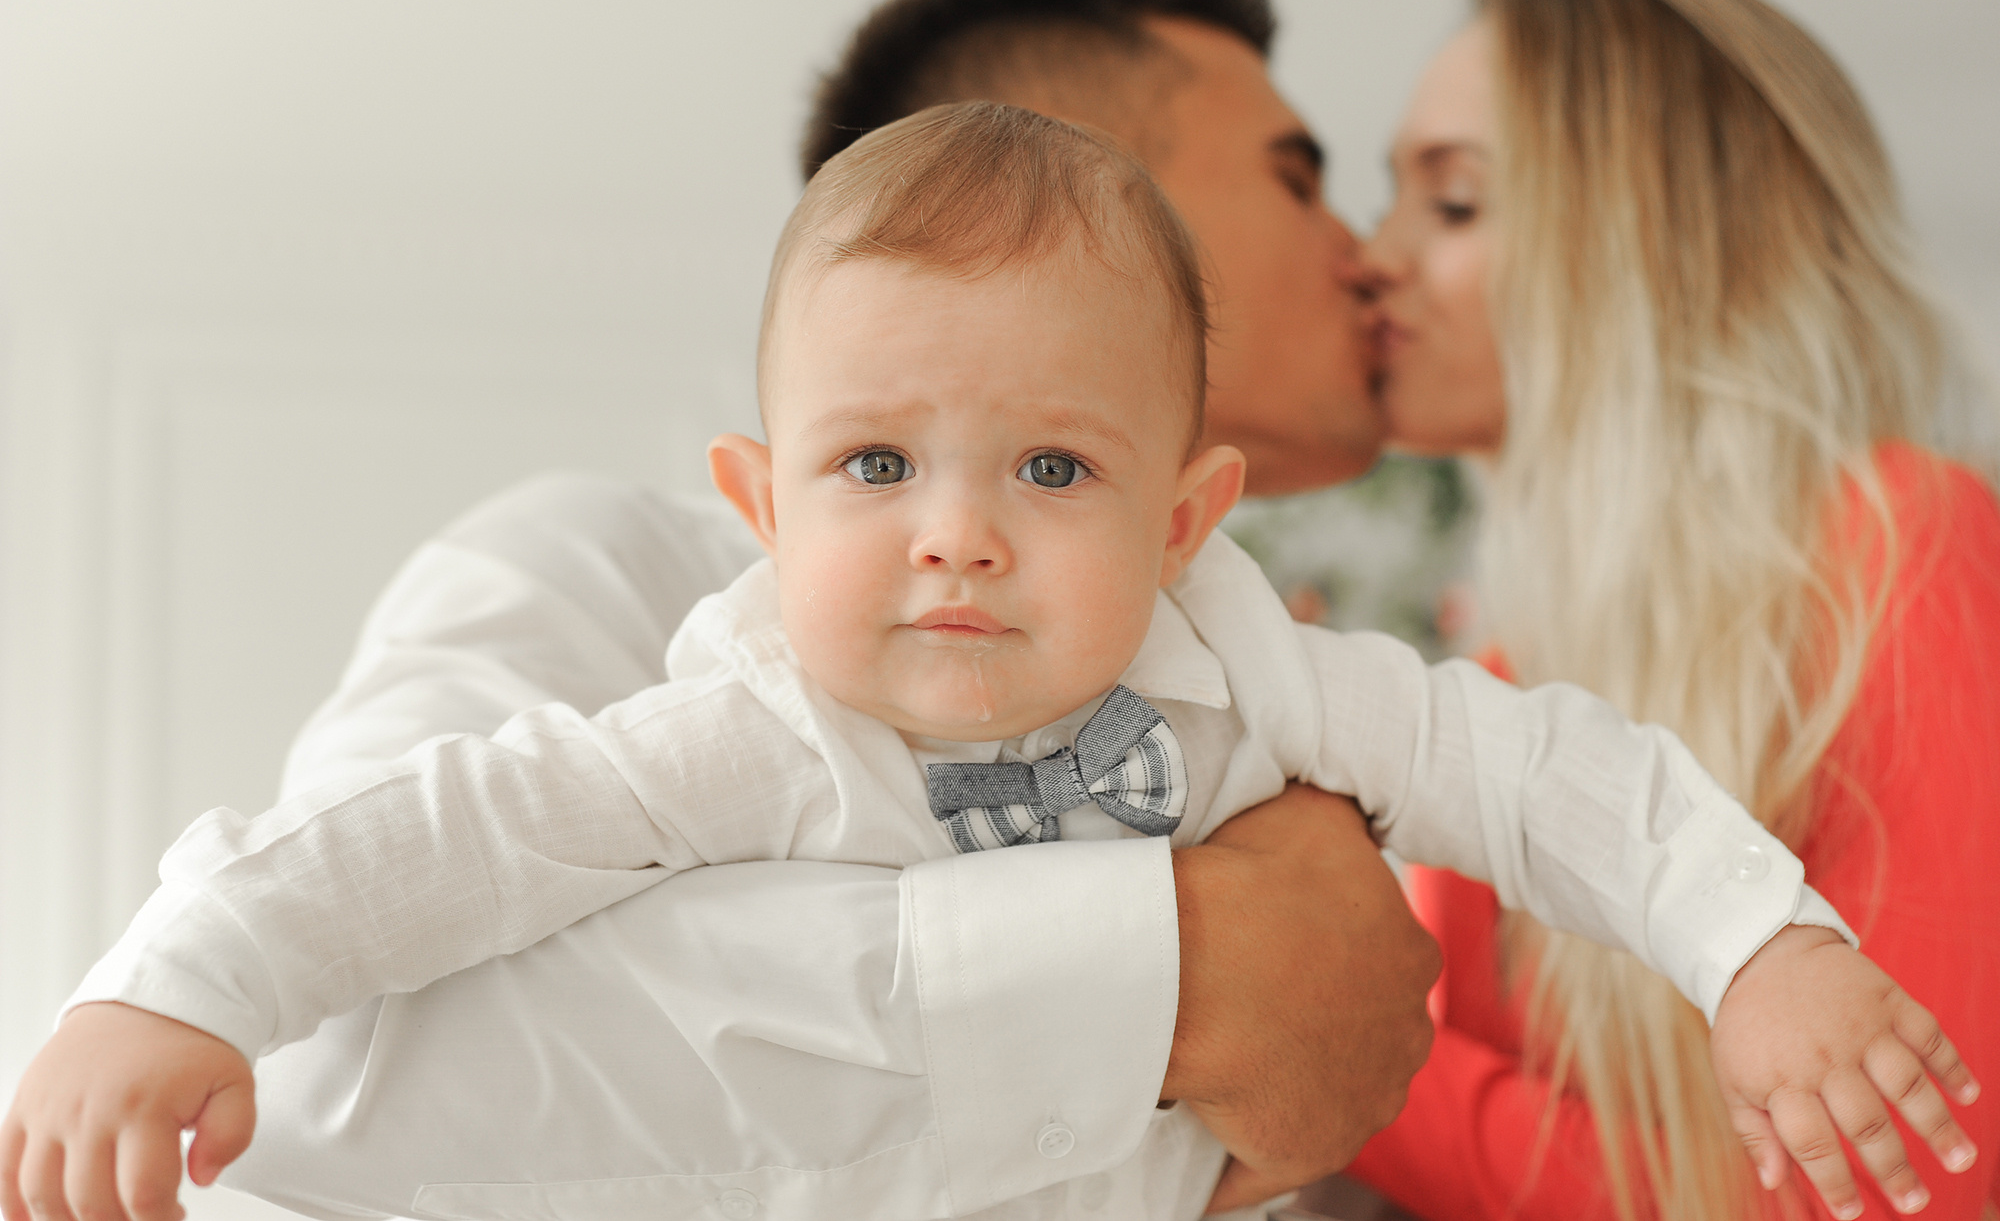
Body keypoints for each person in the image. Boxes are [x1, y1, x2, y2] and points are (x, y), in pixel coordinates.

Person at [6, 100, 1974, 1221]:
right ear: (764, 502)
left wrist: (1756, 944)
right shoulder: (739, 722)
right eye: (876, 466)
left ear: (1185, 517)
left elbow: (1545, 772)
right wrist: (174, 984)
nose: (955, 531)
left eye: (1050, 467)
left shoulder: (1250, 669)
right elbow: (435, 841)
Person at [5, 0, 1437, 1221]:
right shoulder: (592, 571)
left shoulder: (1280, 685)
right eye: (1295, 178)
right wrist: (1183, 972)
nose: (1365, 253)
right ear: (1045, 190)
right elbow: (333, 1069)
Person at [1338, 0, 2000, 1221]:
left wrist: (1335, 1066)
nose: (1372, 255)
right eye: (1393, 197)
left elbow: (1900, 1181)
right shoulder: (1494, 688)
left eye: (1454, 203)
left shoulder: (1895, 544)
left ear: (1642, 241)